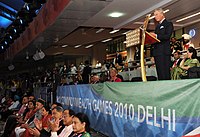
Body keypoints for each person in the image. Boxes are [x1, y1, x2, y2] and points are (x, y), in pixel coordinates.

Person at [150, 8, 174, 80]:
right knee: (159, 73)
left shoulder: (168, 24)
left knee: (165, 73)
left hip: (164, 52)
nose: (155, 16)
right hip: (157, 53)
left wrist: (156, 36)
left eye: (156, 14)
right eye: (154, 15)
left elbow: (167, 36)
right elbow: (155, 40)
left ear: (162, 14)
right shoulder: (157, 26)